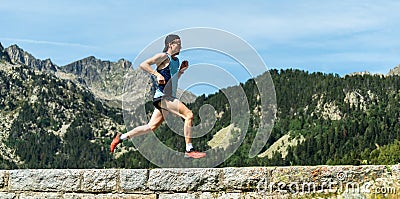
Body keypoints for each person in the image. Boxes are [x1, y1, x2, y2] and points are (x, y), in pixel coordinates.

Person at [110, 34, 206, 159]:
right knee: (189, 115)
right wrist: (156, 74)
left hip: (166, 97)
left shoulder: (175, 61)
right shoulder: (163, 56)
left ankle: (121, 137)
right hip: (163, 97)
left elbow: (173, 80)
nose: (181, 46)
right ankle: (189, 149)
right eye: (178, 43)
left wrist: (181, 71)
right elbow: (144, 64)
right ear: (170, 44)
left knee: (151, 127)